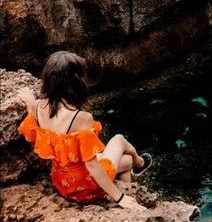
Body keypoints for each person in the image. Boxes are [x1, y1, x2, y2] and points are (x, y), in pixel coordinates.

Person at [17, 51, 152, 210]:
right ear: (76, 82)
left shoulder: (38, 106)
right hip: (85, 187)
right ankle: (138, 166)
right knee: (120, 141)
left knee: (125, 160)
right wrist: (120, 198)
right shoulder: (81, 118)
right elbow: (92, 165)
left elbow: (31, 135)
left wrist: (30, 105)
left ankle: (136, 171)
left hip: (62, 183)